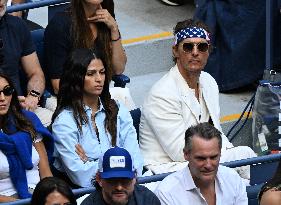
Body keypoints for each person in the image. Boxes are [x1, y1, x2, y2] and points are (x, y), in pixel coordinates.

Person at [139, 19, 256, 178]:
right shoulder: (161, 93)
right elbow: (180, 152)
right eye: (188, 47)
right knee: (243, 160)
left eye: (202, 47)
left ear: (208, 52)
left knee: (244, 157)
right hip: (168, 169)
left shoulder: (209, 82)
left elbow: (217, 132)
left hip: (203, 160)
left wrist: (230, 153)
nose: (195, 52)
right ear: (175, 51)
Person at [51, 48, 143, 188]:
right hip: (87, 194)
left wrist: (90, 161)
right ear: (76, 77)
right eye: (90, 74)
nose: (99, 79)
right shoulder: (64, 122)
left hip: (126, 187)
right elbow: (81, 176)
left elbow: (135, 162)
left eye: (102, 72)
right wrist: (119, 164)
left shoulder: (118, 110)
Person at [44, 0, 126, 95]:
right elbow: (58, 86)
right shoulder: (60, 24)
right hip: (68, 98)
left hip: (99, 93)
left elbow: (118, 69)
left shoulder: (107, 18)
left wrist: (114, 29)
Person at [155, 123, 248, 205]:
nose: (208, 165)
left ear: (220, 153)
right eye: (201, 158)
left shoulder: (233, 179)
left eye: (213, 157)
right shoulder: (166, 193)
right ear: (186, 154)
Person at [0, 72, 53, 202]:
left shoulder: (27, 120)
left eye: (7, 91)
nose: (2, 97)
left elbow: (46, 174)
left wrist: (51, 197)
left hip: (38, 195)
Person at [0, 0, 53, 126]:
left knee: (57, 120)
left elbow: (35, 73)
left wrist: (33, 96)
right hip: (6, 104)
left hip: (18, 107)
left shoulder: (17, 26)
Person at [81, 146, 160, 205]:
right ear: (99, 179)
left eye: (125, 180)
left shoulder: (147, 199)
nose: (119, 187)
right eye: (112, 181)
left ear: (134, 178)